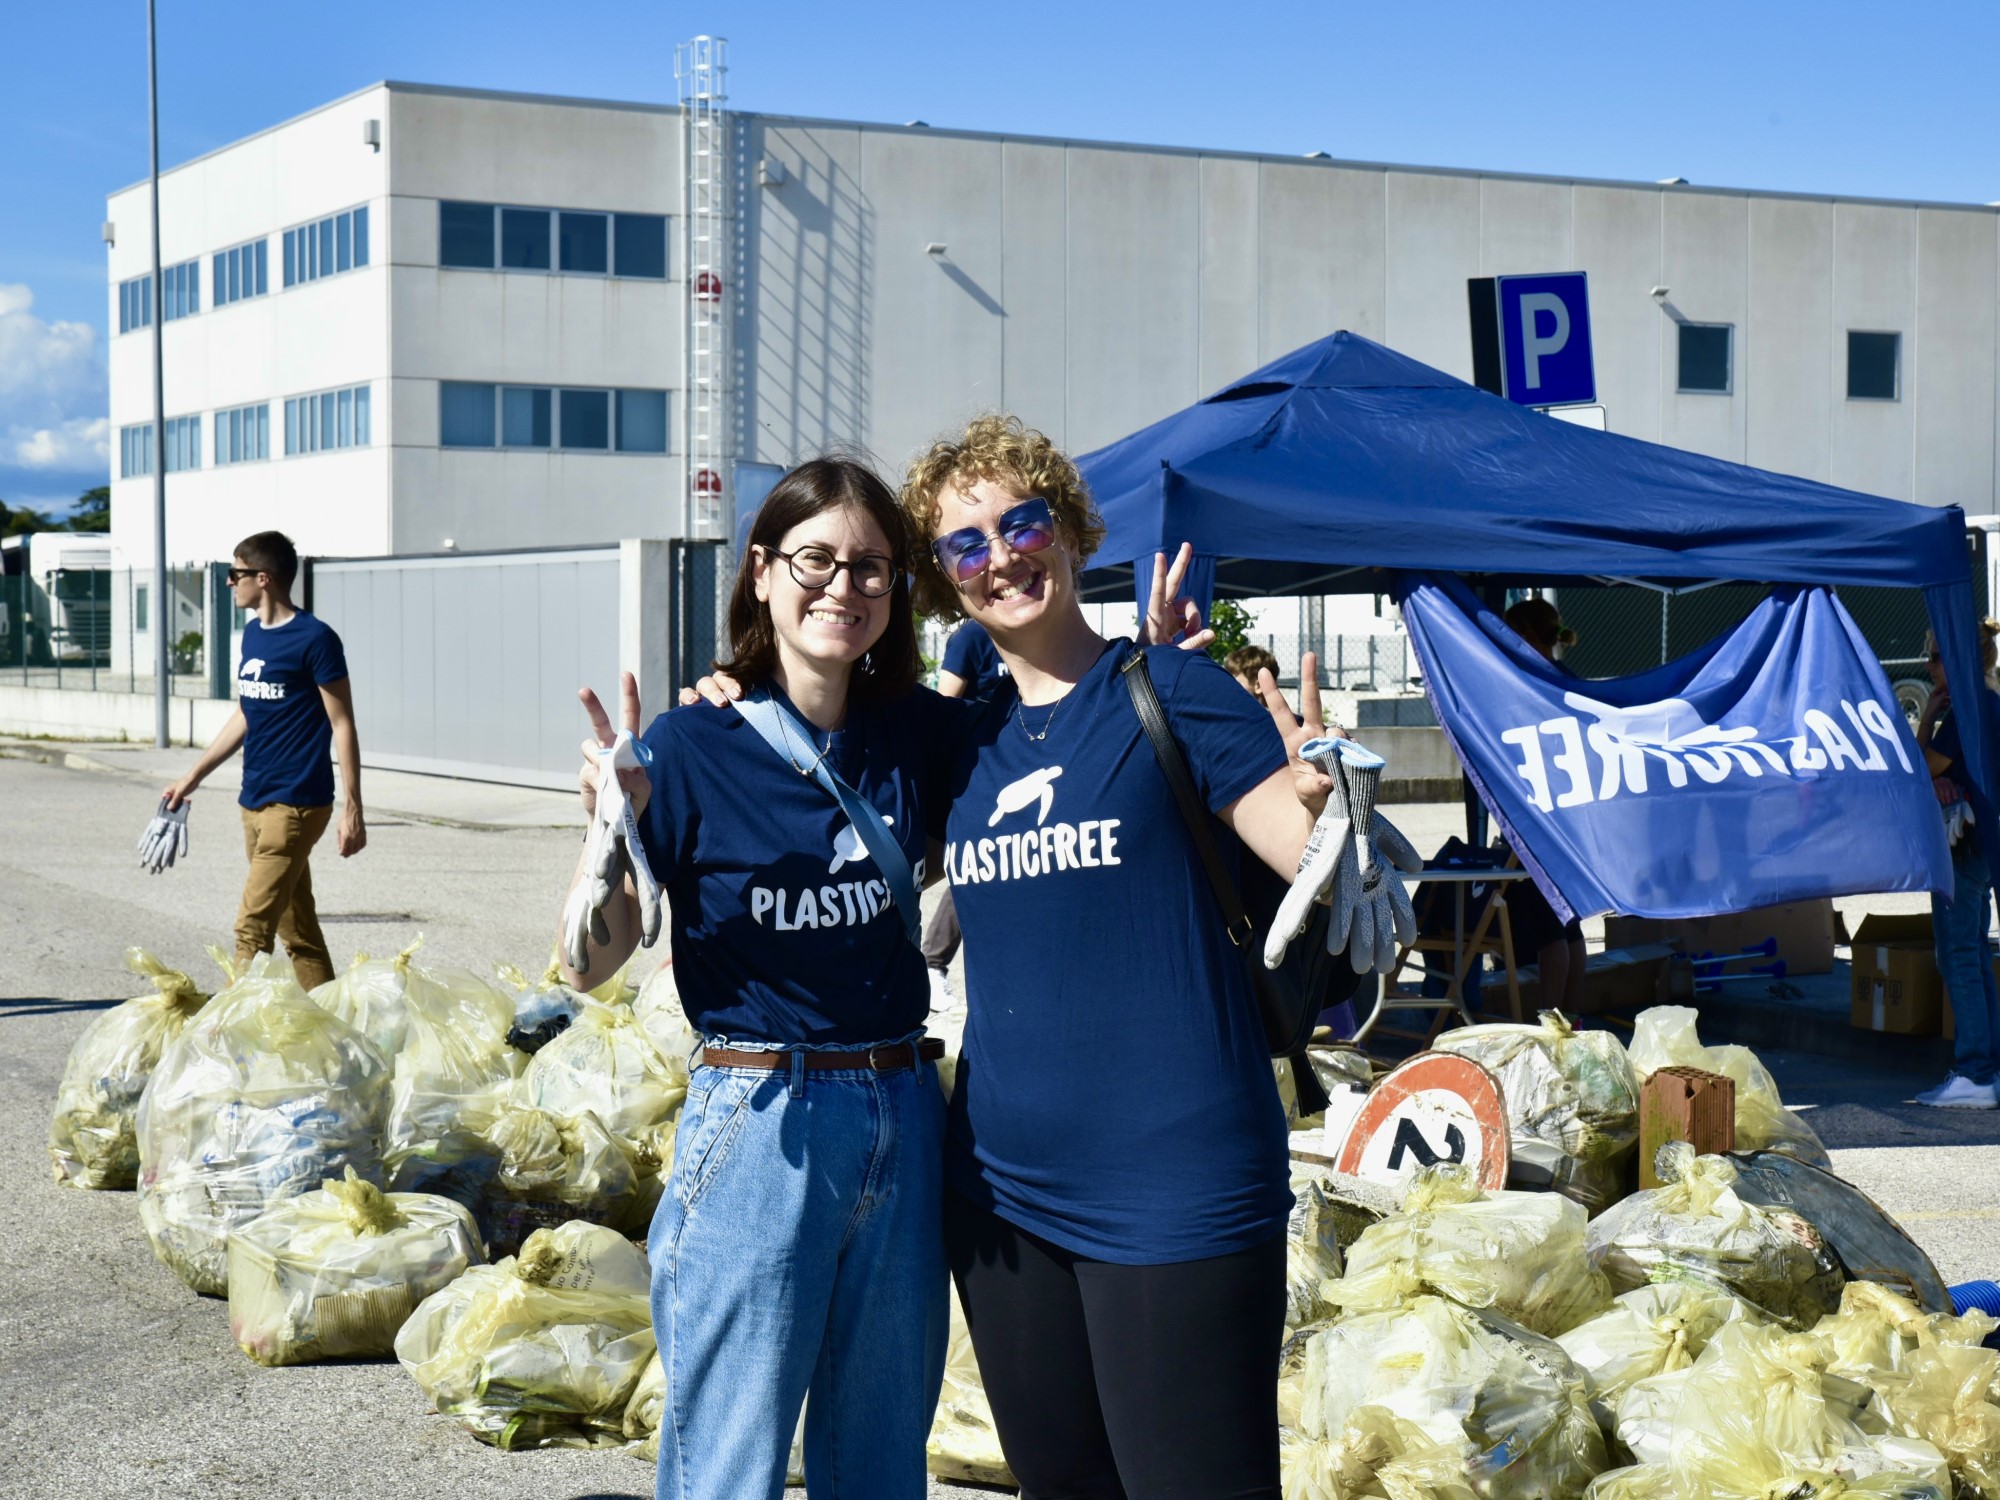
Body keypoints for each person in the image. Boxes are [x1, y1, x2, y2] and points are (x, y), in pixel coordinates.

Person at [901, 414, 1327, 1500]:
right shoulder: (957, 745)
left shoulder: (1174, 692)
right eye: (966, 544)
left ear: (1070, 529)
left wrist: (1329, 811)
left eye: (1022, 523)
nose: (1002, 557)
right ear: (945, 578)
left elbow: (1307, 856)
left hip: (1178, 1186)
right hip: (1002, 1196)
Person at [560, 457, 959, 1500]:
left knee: (882, 1465)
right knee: (730, 1467)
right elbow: (589, 965)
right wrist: (607, 831)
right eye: (815, 559)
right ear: (762, 570)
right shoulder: (690, 746)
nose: (843, 587)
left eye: (870, 567)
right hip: (761, 1118)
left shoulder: (918, 732)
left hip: (902, 1111)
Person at [162, 531, 364, 990]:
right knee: (299, 932)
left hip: (295, 805)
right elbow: (246, 714)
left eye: (235, 574)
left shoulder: (315, 639)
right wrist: (191, 777)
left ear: (263, 578)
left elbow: (343, 723)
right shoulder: (253, 635)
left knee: (251, 931)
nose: (229, 582)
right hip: (253, 801)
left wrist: (353, 809)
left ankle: (225, 1031)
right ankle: (329, 1024)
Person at [1914, 624, 2000, 1110]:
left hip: (1963, 847)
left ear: (1959, 658)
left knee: (1958, 955)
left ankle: (1976, 1072)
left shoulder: (1967, 708)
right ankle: (1987, 1068)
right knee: (1975, 953)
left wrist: (1927, 714)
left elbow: (1919, 766)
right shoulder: (1989, 701)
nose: (1928, 666)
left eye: (1934, 657)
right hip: (1983, 843)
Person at [1501, 596, 1587, 1013]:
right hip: (1571, 813)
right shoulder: (1566, 680)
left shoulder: (1534, 683)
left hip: (1542, 815)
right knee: (1568, 924)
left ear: (1528, 635)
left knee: (1551, 927)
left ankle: (1554, 1022)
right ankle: (1570, 1018)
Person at [923, 620, 1010, 1007]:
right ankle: (932, 963)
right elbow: (943, 706)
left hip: (1016, 768)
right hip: (975, 775)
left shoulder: (1031, 639)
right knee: (974, 864)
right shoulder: (973, 637)